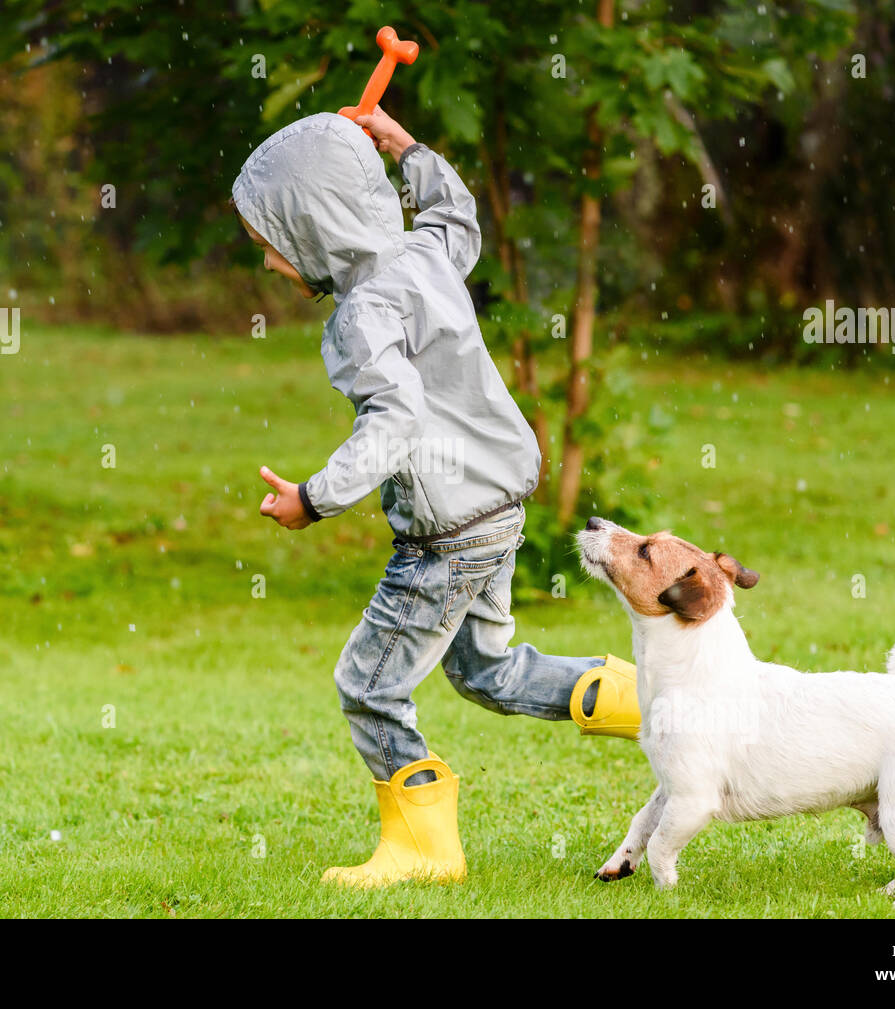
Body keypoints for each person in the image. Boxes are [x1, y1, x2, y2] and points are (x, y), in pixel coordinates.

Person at [232, 107, 640, 888]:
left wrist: (314, 498)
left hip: (447, 533)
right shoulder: (425, 255)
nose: (271, 266)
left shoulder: (362, 315)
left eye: (271, 244)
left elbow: (395, 419)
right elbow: (456, 214)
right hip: (498, 510)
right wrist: (406, 147)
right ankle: (651, 702)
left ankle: (424, 847)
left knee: (368, 682)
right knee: (488, 672)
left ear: (317, 230)